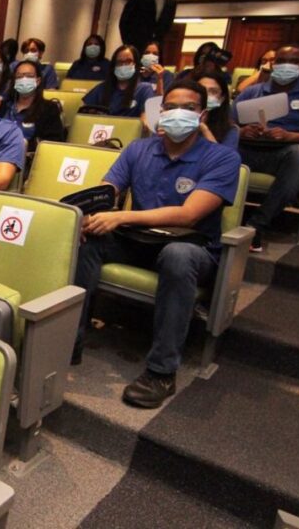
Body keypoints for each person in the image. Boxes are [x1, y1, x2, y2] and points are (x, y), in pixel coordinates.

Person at [72, 79, 241, 409]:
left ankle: (161, 371)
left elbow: (189, 215)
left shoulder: (222, 158)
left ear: (203, 115)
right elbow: (108, 189)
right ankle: (69, 342)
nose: (178, 113)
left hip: (192, 246)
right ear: (160, 113)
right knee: (87, 239)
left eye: (188, 108)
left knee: (178, 256)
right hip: (138, 240)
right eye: (171, 107)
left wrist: (121, 217)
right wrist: (90, 213)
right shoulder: (138, 149)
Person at [232, 44, 299, 252]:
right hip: (247, 149)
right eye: (281, 61)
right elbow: (225, 124)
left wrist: (291, 136)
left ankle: (256, 225)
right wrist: (241, 131)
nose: (286, 66)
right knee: (218, 149)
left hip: (284, 153)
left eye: (294, 61)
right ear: (273, 64)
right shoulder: (253, 92)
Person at [3, 58, 65, 152]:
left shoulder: (49, 109)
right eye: (19, 76)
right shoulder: (4, 106)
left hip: (29, 156)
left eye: (29, 76)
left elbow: (52, 143)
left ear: (38, 81)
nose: (24, 79)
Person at [82, 45, 155, 118]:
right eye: (119, 62)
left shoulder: (145, 89)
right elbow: (83, 113)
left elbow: (149, 118)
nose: (124, 65)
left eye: (128, 61)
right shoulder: (102, 88)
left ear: (136, 64)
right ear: (114, 66)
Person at [197, 72, 239, 150]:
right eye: (201, 90)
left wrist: (204, 129)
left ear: (222, 98)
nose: (206, 95)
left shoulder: (229, 130)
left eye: (213, 92)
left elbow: (224, 157)